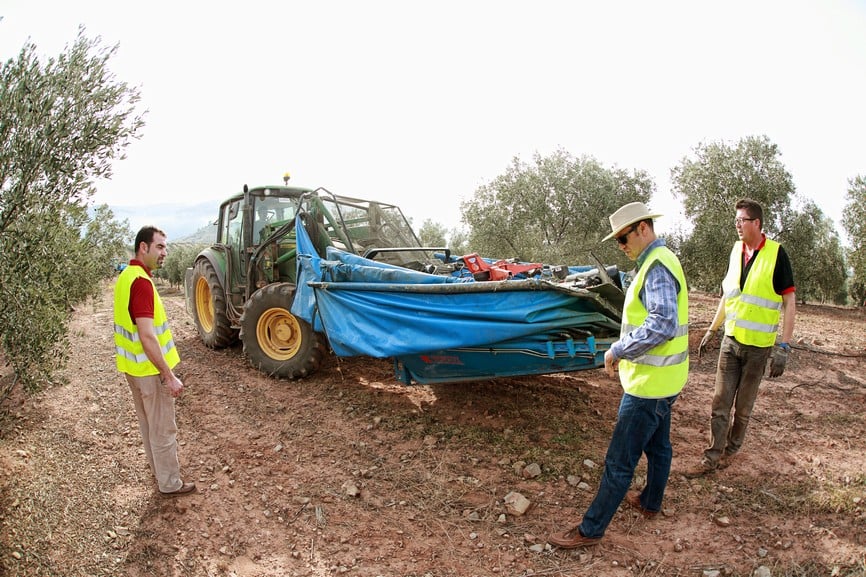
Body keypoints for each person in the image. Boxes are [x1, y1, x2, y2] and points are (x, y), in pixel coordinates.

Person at [548, 202, 689, 549]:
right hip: (667, 381)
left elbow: (663, 323)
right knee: (659, 447)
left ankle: (590, 530)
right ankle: (650, 501)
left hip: (648, 385)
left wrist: (618, 350)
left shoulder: (655, 267)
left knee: (619, 461)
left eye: (623, 238)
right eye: (617, 242)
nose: (621, 247)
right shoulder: (662, 260)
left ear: (643, 228)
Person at [686, 198, 795, 477]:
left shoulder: (776, 254)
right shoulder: (735, 251)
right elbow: (729, 296)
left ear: (756, 223)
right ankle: (712, 457)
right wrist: (712, 329)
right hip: (731, 342)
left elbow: (789, 301)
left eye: (741, 220)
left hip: (758, 349)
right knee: (720, 402)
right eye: (735, 220)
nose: (737, 225)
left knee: (743, 409)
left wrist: (784, 346)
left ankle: (732, 451)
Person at [113, 226, 196, 496]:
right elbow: (147, 336)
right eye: (159, 247)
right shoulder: (141, 283)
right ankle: (170, 483)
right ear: (143, 248)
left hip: (133, 369)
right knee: (163, 430)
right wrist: (168, 375)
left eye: (165, 247)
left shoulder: (127, 275)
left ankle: (158, 474)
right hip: (150, 371)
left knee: (148, 425)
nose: (165, 253)